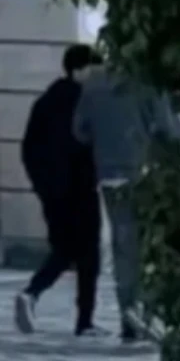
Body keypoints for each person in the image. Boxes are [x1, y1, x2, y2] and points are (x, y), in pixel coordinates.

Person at [73, 63, 180, 341]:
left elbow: (80, 130)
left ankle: (128, 316)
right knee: (146, 246)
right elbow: (170, 130)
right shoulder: (148, 80)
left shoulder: (94, 82)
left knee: (123, 244)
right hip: (143, 174)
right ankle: (142, 312)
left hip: (108, 174)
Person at [15, 45, 105, 336]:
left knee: (66, 249)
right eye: (94, 69)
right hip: (80, 189)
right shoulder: (85, 101)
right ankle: (83, 320)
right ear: (80, 70)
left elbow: (28, 149)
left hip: (52, 192)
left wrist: (43, 186)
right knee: (88, 255)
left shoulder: (45, 101)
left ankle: (33, 293)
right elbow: (88, 143)